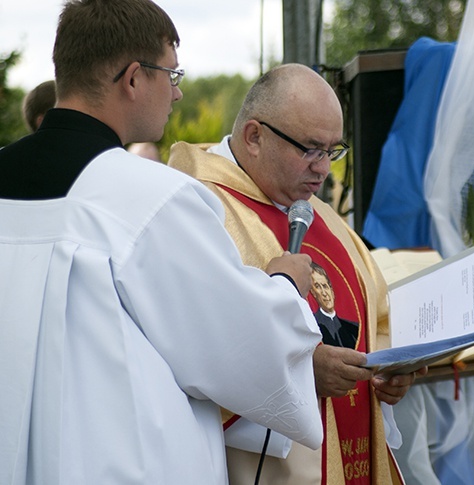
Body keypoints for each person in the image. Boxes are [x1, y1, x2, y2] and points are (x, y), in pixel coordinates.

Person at [0, 2, 323, 484]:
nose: (177, 94)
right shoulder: (150, 199)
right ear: (133, 79)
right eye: (172, 75)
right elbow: (240, 345)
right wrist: (283, 284)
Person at [168, 63, 425, 485]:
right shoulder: (194, 209)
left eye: (333, 151)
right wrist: (296, 372)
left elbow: (375, 319)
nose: (323, 169)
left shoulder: (321, 216)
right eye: (310, 149)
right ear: (254, 136)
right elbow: (188, 348)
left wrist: (391, 373)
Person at [311, 262, 360, 349]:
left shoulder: (353, 328)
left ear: (332, 291)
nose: (324, 293)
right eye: (318, 287)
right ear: (313, 293)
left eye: (325, 286)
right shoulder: (312, 328)